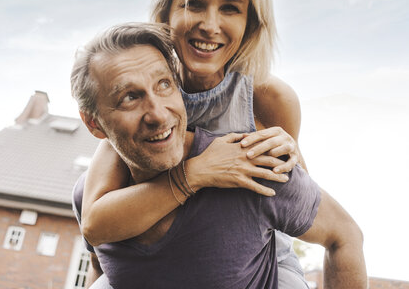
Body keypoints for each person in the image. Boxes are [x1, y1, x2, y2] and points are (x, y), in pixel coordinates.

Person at [70, 22, 367, 289]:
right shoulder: (92, 196)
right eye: (130, 98)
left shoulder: (248, 164)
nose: (158, 116)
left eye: (164, 85)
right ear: (94, 123)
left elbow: (345, 235)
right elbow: (102, 265)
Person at [81, 0, 314, 288]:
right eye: (194, 4)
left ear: (250, 22)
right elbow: (95, 224)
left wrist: (290, 160)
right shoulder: (144, 105)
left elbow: (301, 210)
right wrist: (196, 172)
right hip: (164, 261)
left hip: (259, 265)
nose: (210, 25)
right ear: (166, 14)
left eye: (230, 8)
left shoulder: (269, 98)